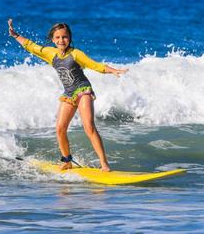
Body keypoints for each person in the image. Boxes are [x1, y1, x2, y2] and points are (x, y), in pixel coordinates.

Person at [8, 19, 128, 172]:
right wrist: (15, 35)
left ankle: (104, 164)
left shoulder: (76, 54)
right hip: (68, 94)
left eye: (64, 37)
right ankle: (67, 161)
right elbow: (32, 47)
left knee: (89, 127)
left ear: (69, 38)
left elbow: (95, 65)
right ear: (53, 39)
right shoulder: (51, 53)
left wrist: (113, 71)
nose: (61, 40)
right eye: (57, 37)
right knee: (60, 128)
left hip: (83, 90)